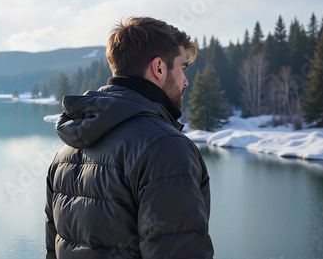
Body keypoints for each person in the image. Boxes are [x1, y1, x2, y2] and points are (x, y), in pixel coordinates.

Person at [45, 16, 214, 258]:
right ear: (158, 68)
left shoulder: (65, 153)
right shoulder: (165, 148)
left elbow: (53, 251)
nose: (186, 81)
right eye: (182, 68)